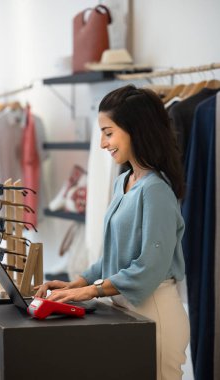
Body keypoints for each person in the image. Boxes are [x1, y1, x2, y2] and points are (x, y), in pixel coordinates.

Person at [35, 85, 190, 380]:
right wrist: (74, 283)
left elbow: (149, 267)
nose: (104, 143)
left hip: (154, 311)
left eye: (109, 132)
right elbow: (113, 255)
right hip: (127, 308)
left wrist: (90, 290)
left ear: (136, 129)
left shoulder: (156, 190)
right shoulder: (124, 182)